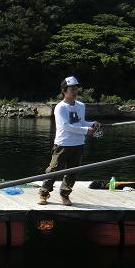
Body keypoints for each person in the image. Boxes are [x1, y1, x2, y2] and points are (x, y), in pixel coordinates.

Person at [37, 76, 100, 206]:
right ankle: (43, 193)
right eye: (72, 89)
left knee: (73, 171)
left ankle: (65, 195)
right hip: (63, 144)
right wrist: (86, 130)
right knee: (54, 170)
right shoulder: (60, 107)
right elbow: (66, 126)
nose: (75, 91)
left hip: (78, 144)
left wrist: (93, 124)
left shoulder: (81, 106)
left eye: (76, 89)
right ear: (64, 91)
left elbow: (81, 123)